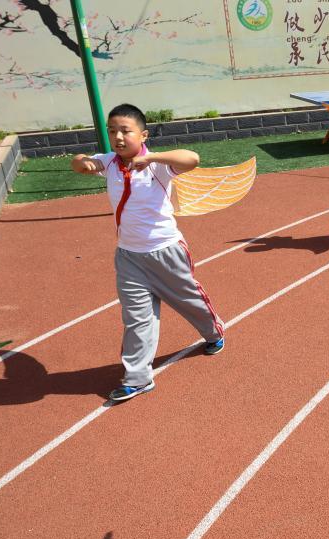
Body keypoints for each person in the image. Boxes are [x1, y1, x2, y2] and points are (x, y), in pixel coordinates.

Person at [70, 103, 224, 402]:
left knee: (188, 300)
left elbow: (192, 158)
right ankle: (138, 378)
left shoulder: (158, 165)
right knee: (136, 318)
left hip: (166, 251)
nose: (118, 137)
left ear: (143, 135)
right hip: (129, 257)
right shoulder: (110, 162)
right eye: (112, 131)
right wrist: (82, 162)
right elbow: (79, 162)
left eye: (125, 131)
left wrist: (150, 157)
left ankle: (214, 332)